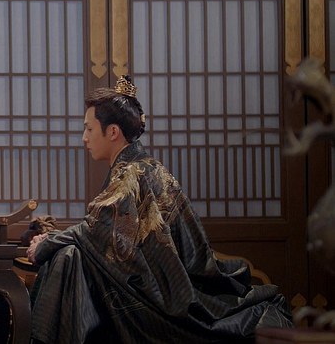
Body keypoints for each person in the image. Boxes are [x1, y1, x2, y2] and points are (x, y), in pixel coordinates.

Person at [26, 75, 292, 344]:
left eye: (89, 129)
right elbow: (102, 230)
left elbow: (96, 228)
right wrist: (53, 239)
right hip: (165, 279)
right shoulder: (146, 166)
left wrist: (47, 244)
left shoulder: (130, 174)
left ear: (113, 132)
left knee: (69, 256)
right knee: (72, 255)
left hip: (165, 293)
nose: (84, 138)